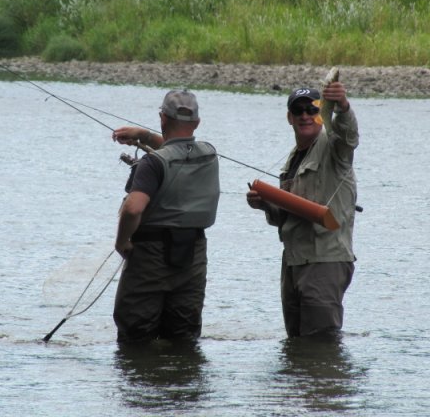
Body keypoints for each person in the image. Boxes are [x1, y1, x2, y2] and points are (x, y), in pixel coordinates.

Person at [246, 80, 359, 338]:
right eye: (299, 110)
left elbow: (348, 136)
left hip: (324, 261)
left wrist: (342, 106)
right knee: (296, 346)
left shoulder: (333, 146)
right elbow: (285, 216)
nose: (305, 115)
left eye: (312, 109)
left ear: (321, 114)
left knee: (321, 345)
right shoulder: (293, 159)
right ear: (290, 117)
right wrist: (264, 204)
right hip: (294, 262)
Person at [111, 89, 220, 343]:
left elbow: (133, 208)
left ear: (162, 119)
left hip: (150, 257)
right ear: (197, 123)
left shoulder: (152, 164)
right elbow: (180, 151)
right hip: (193, 254)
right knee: (183, 337)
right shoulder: (210, 154)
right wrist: (144, 136)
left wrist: (122, 241)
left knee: (136, 339)